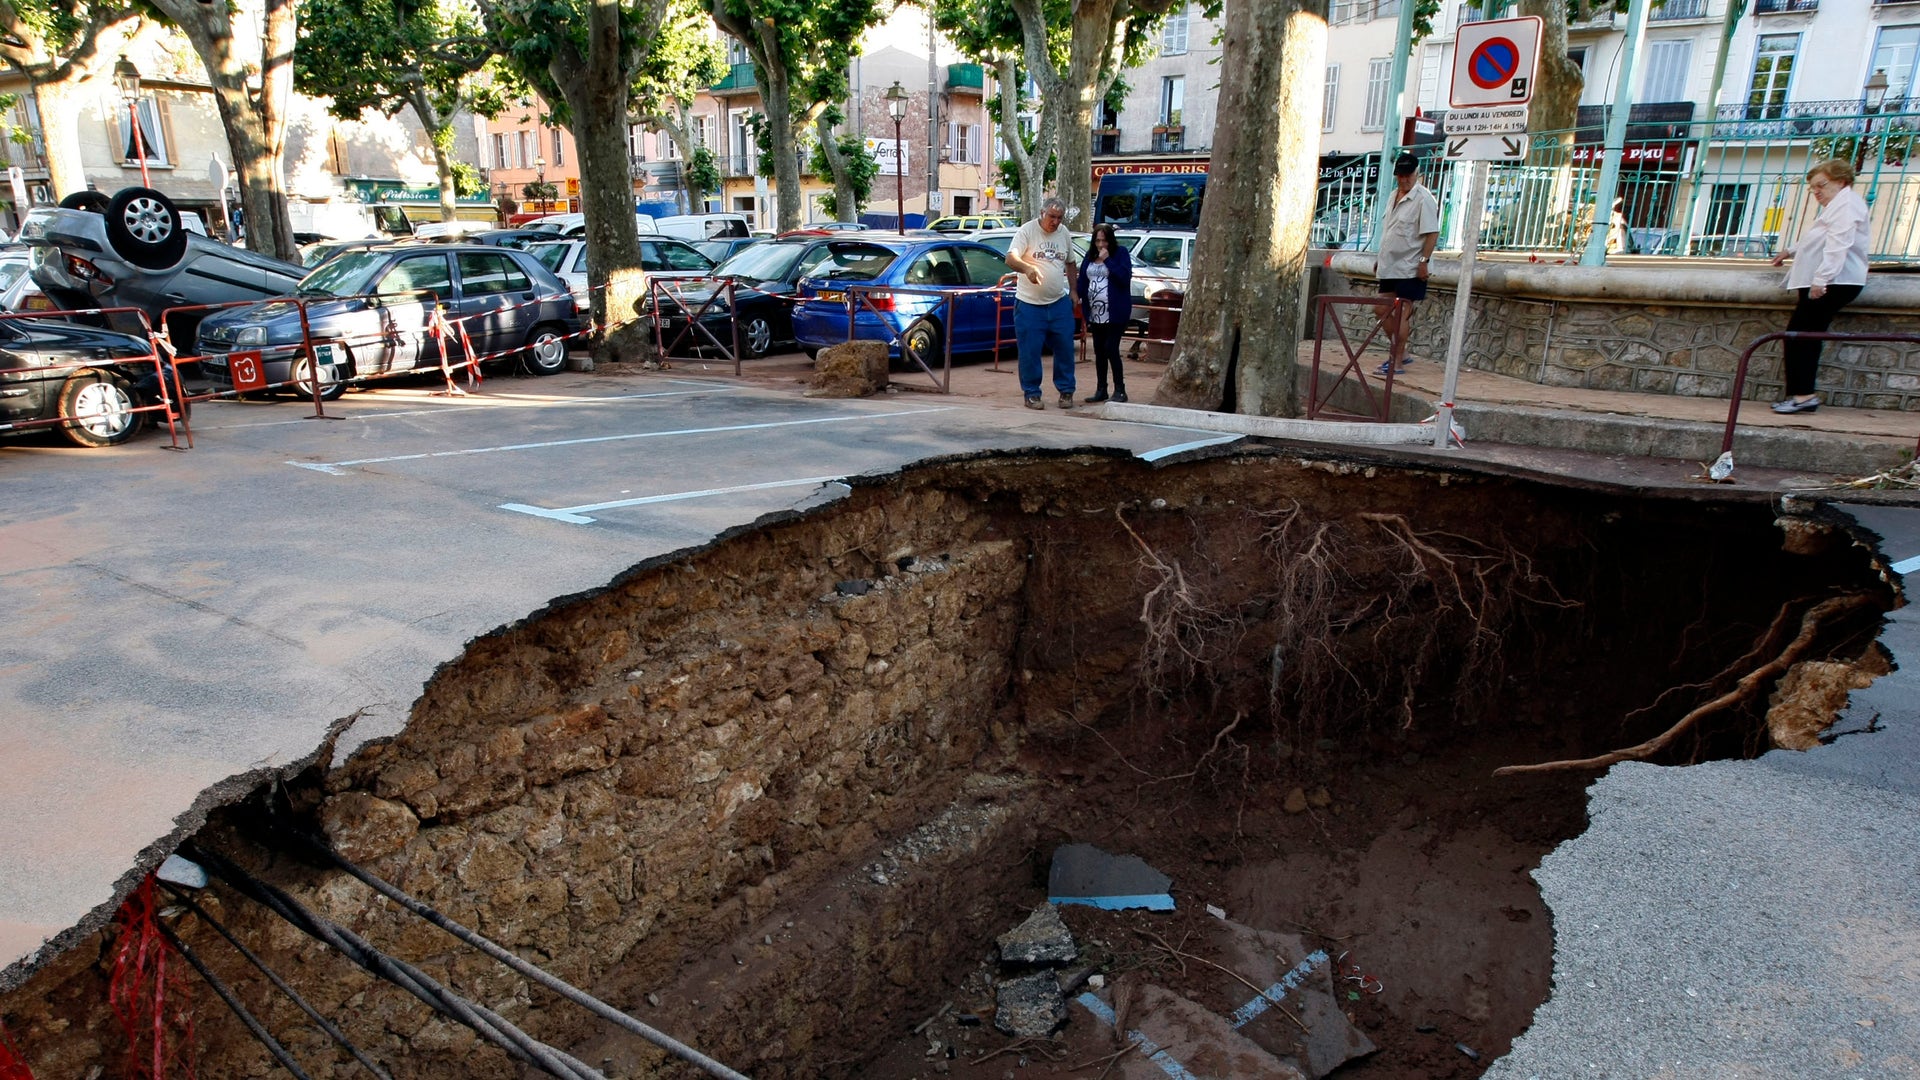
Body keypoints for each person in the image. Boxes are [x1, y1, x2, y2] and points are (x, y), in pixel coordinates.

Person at [1770, 159, 1871, 414]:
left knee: (1801, 336)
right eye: (1813, 188)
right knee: (1801, 336)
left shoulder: (1846, 206)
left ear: (1841, 181)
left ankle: (1804, 396)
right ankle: (1802, 395)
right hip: (1832, 280)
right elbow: (1818, 237)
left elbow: (1839, 244)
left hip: (1836, 281)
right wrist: (1790, 250)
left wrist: (1821, 279)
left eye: (1821, 185)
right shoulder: (1839, 205)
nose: (1816, 192)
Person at [1005, 196, 1079, 409]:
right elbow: (1011, 258)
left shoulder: (1063, 233)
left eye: (1059, 218)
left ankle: (1066, 391)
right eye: (1052, 217)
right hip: (1029, 304)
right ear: (1042, 213)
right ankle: (1031, 393)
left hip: (1058, 302)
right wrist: (1027, 268)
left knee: (1065, 348)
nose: (1055, 222)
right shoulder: (1027, 231)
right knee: (1030, 351)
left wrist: (1073, 290)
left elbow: (1071, 262)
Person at [1372, 153, 1439, 377]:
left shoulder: (1423, 199)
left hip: (1410, 267)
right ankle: (1401, 350)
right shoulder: (1393, 196)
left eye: (1408, 175)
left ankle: (1396, 360)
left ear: (1416, 173)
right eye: (1400, 176)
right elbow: (1389, 230)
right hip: (1390, 265)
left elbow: (1432, 233)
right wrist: (1379, 258)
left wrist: (1423, 262)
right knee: (1380, 308)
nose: (1404, 180)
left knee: (1402, 313)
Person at [1075, 223, 1133, 404]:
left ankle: (1120, 389)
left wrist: (1108, 259)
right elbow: (1083, 279)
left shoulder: (1120, 253)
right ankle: (1101, 389)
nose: (1101, 245)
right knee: (1099, 351)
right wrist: (1077, 294)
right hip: (1096, 312)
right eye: (1098, 241)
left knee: (1111, 348)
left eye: (1104, 241)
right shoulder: (1089, 256)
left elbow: (1124, 278)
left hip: (1115, 312)